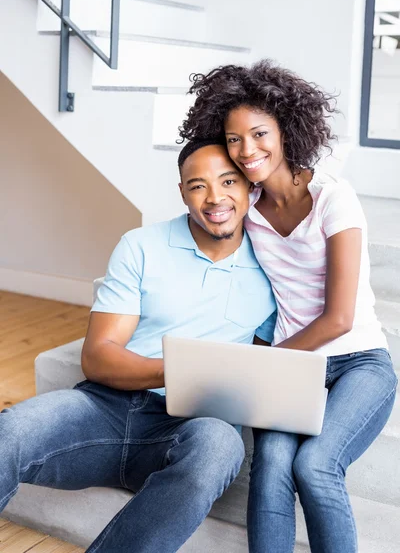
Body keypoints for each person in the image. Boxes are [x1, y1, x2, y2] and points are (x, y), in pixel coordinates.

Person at [0, 139, 276, 553]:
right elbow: (98, 355)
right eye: (198, 185)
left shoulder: (273, 265)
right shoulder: (141, 245)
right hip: (105, 411)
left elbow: (260, 367)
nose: (215, 197)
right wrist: (182, 370)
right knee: (12, 430)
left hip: (192, 427)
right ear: (182, 192)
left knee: (219, 446)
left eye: (228, 181)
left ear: (250, 187)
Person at [177, 60, 398, 553]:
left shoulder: (333, 199)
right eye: (233, 139)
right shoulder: (245, 207)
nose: (247, 150)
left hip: (358, 362)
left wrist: (259, 366)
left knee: (314, 466)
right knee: (271, 468)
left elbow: (339, 317)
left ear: (285, 129)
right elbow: (201, 226)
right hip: (291, 368)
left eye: (259, 134)